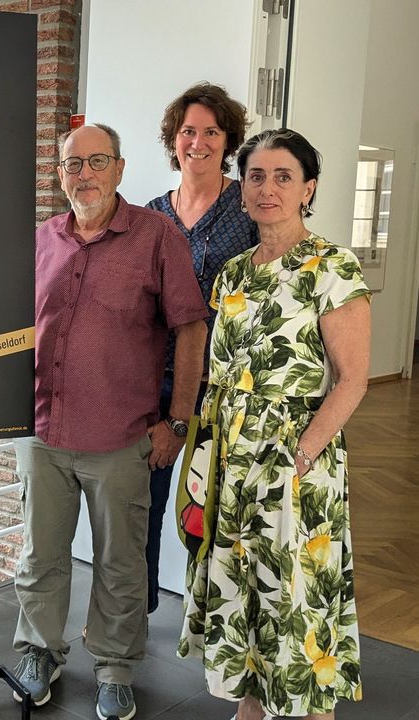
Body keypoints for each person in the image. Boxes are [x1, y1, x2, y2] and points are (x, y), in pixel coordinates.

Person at [11, 123, 208, 720]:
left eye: (98, 162)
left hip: (123, 434)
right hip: (42, 430)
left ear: (120, 169)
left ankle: (116, 665)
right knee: (39, 555)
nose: (85, 175)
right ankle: (38, 651)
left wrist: (177, 419)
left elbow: (191, 327)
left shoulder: (156, 238)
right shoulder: (42, 239)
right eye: (74, 165)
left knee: (121, 561)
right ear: (60, 174)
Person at [179, 128, 369, 720]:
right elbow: (219, 375)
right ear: (242, 190)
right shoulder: (232, 274)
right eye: (256, 176)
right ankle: (251, 709)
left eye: (284, 177)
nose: (268, 189)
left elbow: (352, 379)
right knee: (247, 591)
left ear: (308, 189)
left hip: (294, 465)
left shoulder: (333, 266)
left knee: (298, 599)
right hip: (233, 463)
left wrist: (303, 456)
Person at [144, 82, 259, 613]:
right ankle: (133, 614)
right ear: (174, 140)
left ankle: (217, 622)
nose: (198, 142)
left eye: (211, 132)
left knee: (218, 511)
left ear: (228, 140)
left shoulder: (250, 207)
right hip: (156, 382)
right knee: (141, 505)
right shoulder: (150, 216)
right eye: (188, 131)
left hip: (228, 382)